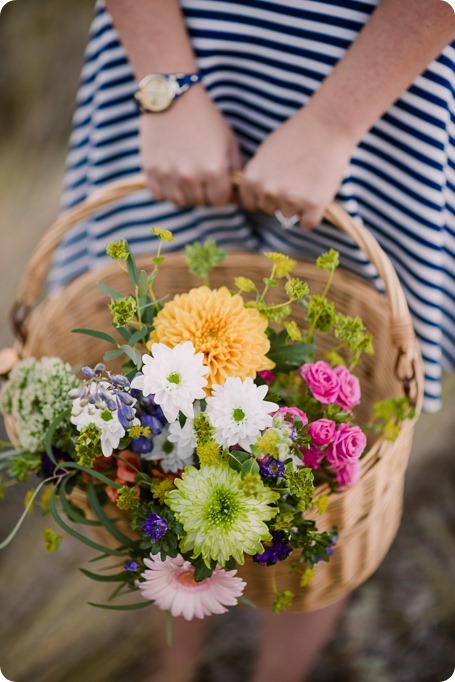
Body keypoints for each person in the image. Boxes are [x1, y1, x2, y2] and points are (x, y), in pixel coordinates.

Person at [51, 2, 455, 680]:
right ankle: (172, 665)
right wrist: (165, 87)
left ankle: (278, 674)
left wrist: (334, 124)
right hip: (171, 53)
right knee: (144, 413)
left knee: (336, 456)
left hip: (379, 95)